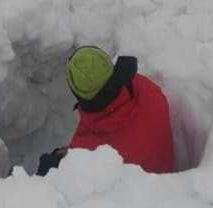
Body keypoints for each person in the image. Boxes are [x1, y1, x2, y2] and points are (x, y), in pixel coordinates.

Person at [37, 46, 175, 175]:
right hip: (161, 177)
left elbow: (81, 164)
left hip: (131, 195)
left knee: (48, 167)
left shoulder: (90, 152)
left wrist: (60, 160)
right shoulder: (149, 91)